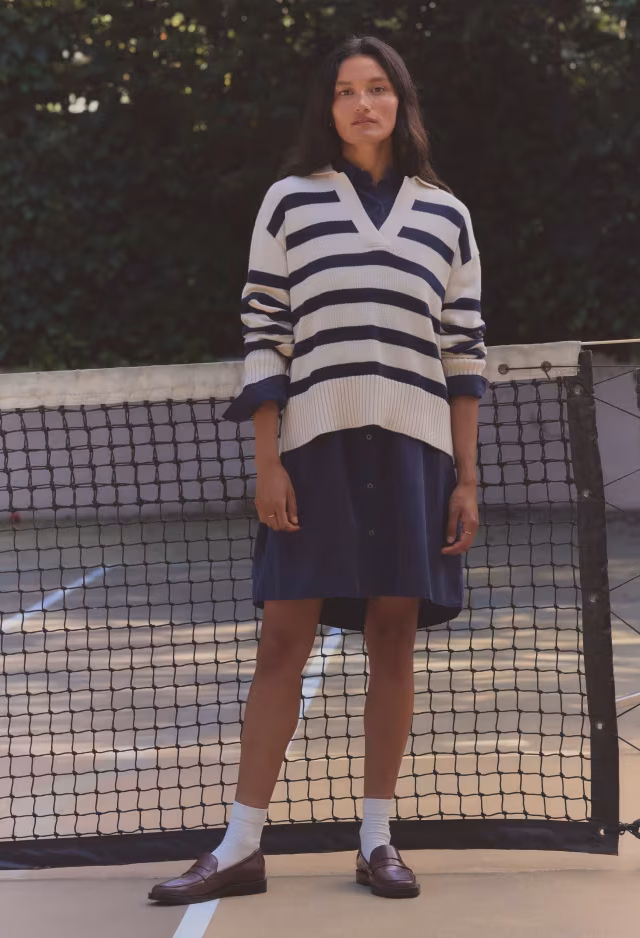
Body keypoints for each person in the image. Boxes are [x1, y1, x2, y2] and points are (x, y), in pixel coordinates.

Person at [149, 33, 486, 905]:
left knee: (392, 642)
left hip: (416, 454)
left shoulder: (446, 214)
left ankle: (378, 837)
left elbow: (464, 351)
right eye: (346, 91)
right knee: (281, 642)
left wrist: (467, 478)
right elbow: (265, 331)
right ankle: (240, 845)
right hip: (313, 450)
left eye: (379, 89)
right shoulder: (289, 203)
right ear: (326, 108)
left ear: (402, 103)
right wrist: (269, 461)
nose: (363, 104)